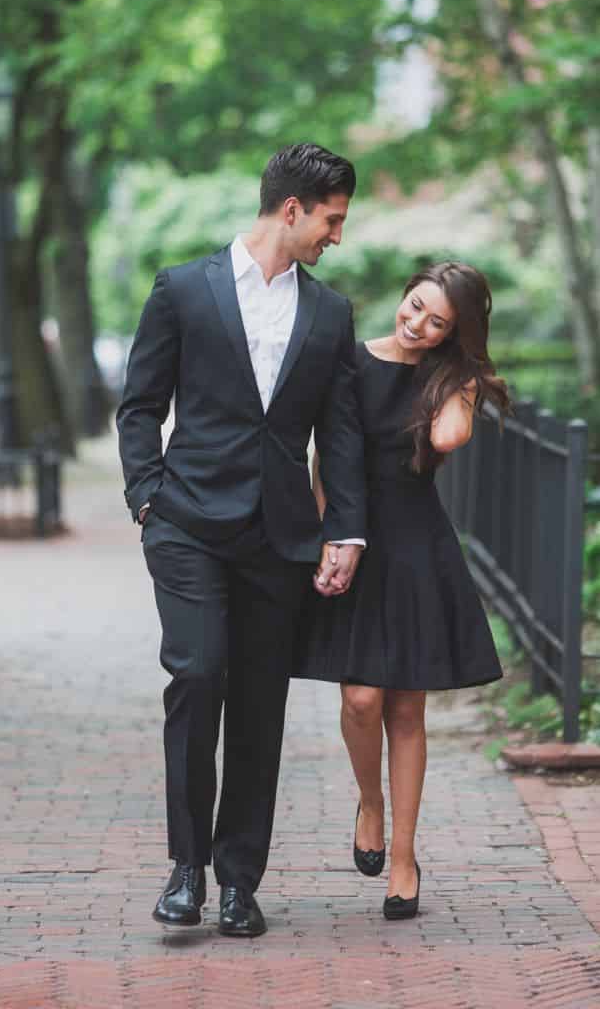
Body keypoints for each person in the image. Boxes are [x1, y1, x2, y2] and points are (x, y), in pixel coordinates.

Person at [116, 142, 368, 938]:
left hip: (281, 537)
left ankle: (238, 881)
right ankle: (185, 869)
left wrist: (345, 530)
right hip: (187, 524)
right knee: (197, 673)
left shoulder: (329, 313)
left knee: (260, 706)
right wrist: (146, 497)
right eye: (330, 221)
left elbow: (344, 433)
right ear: (290, 210)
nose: (336, 237)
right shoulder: (183, 289)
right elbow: (138, 405)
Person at [294, 261, 508, 920]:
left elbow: (448, 437)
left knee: (407, 711)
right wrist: (334, 534)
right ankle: (371, 804)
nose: (416, 324)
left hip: (416, 546)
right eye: (414, 307)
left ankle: (405, 859)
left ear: (455, 331)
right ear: (404, 294)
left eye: (436, 321)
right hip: (356, 539)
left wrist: (462, 378)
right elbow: (325, 455)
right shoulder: (350, 361)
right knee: (361, 698)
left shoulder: (448, 378)